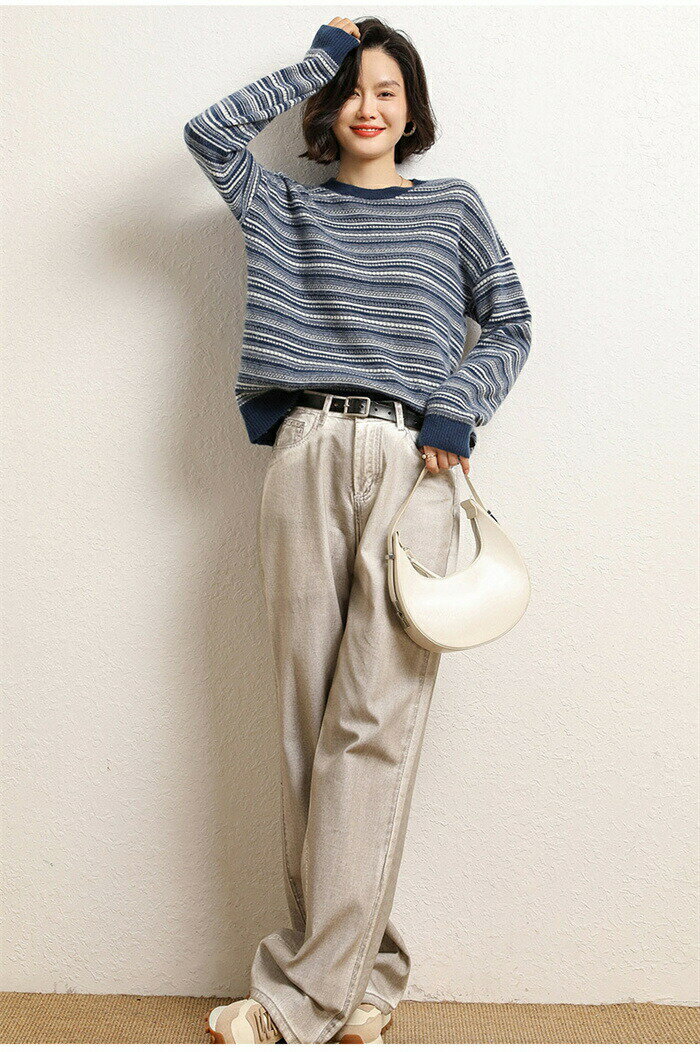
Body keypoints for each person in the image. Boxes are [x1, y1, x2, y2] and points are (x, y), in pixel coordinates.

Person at [183, 14, 531, 1045]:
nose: (367, 106)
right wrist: (318, 57)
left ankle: (297, 1001)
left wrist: (457, 407)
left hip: (410, 461)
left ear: (412, 108)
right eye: (349, 91)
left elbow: (510, 319)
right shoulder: (280, 203)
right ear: (325, 107)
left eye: (386, 89)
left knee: (371, 724)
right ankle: (363, 980)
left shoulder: (451, 207)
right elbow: (207, 134)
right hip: (301, 453)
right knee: (308, 731)